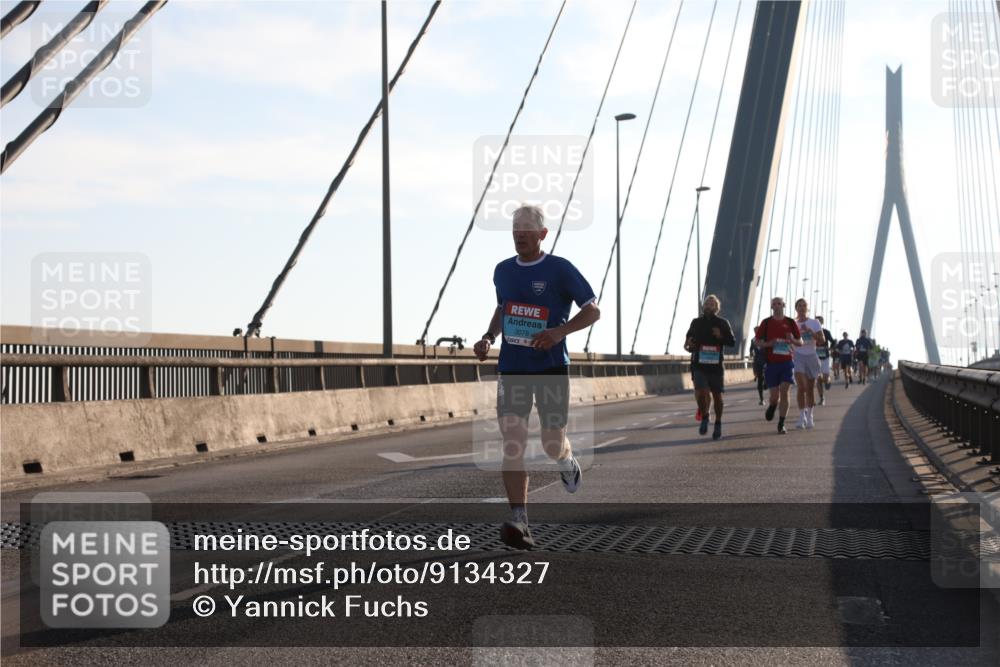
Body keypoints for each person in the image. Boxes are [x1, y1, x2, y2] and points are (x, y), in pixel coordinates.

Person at [473, 204, 600, 550]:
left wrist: (559, 332)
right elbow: (504, 308)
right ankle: (520, 520)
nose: (520, 235)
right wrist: (489, 337)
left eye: (528, 230)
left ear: (543, 235)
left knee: (550, 442)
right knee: (512, 442)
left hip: (551, 369)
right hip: (513, 369)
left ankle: (565, 460)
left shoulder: (559, 269)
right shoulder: (502, 271)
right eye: (516, 230)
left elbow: (592, 310)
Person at [684, 294, 736, 440]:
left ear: (717, 308)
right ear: (703, 306)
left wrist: (720, 336)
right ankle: (705, 416)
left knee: (717, 396)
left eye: (712, 304)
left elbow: (732, 342)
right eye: (707, 303)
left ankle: (718, 422)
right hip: (699, 364)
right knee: (701, 392)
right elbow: (688, 343)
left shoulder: (723, 323)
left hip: (716, 366)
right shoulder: (696, 322)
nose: (709, 305)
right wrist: (689, 345)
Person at [755, 297, 803, 434]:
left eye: (779, 303)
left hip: (787, 362)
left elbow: (800, 342)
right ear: (771, 307)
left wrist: (792, 339)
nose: (776, 306)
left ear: (784, 305)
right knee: (775, 396)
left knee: (785, 391)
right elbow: (757, 341)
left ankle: (781, 423)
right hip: (771, 364)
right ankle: (772, 405)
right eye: (774, 304)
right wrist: (770, 344)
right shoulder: (766, 323)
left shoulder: (790, 322)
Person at [791, 298, 822, 429]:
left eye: (804, 306)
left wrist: (811, 333)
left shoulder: (814, 323)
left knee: (809, 389)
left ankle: (810, 416)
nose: (802, 308)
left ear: (807, 308)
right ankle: (801, 417)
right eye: (799, 306)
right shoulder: (793, 323)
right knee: (801, 387)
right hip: (798, 356)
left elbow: (821, 341)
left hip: (812, 357)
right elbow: (789, 339)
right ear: (796, 308)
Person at [815, 315, 835, 402]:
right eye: (816, 321)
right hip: (815, 358)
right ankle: (822, 398)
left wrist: (830, 348)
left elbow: (833, 342)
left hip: (825, 357)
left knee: (825, 378)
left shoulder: (826, 332)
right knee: (818, 379)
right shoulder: (811, 332)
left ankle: (828, 381)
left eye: (819, 321)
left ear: (822, 323)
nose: (817, 323)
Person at [750, 326, 767, 406]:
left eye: (757, 331)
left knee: (766, 380)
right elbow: (751, 349)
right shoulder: (753, 340)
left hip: (766, 361)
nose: (756, 332)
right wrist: (751, 353)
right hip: (757, 362)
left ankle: (766, 383)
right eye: (755, 331)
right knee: (760, 380)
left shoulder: (766, 338)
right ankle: (761, 399)